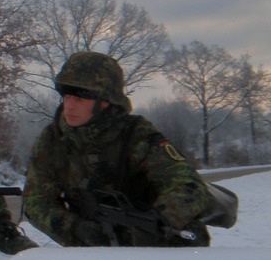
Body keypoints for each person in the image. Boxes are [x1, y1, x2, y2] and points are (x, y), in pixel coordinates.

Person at [23, 51, 215, 247]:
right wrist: (75, 228)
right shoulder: (52, 140)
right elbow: (35, 201)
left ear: (105, 101)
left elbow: (188, 185)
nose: (70, 105)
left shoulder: (136, 135)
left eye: (81, 98)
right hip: (91, 248)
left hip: (158, 246)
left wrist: (160, 220)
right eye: (66, 95)